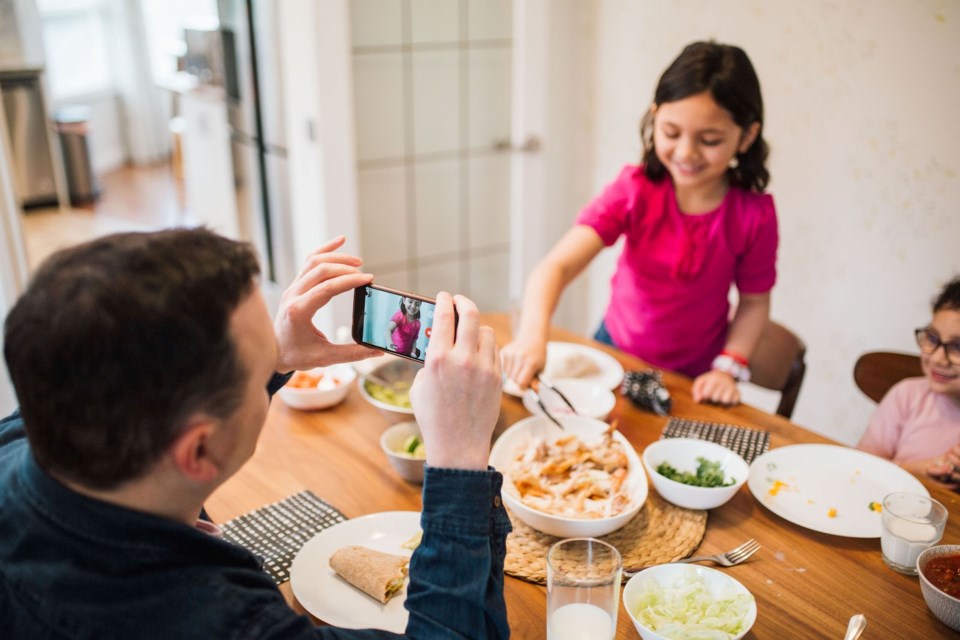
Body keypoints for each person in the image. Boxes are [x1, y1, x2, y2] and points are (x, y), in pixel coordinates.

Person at [0, 229, 511, 638]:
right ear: (198, 449)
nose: (275, 351)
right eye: (259, 362)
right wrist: (458, 459)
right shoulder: (221, 619)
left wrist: (277, 357)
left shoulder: (41, 434)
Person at [502, 41, 778, 407]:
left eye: (709, 140)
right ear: (654, 117)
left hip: (693, 378)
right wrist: (532, 336)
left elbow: (754, 303)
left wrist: (728, 367)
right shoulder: (635, 190)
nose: (685, 153)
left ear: (746, 136)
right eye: (671, 132)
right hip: (614, 354)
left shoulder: (753, 215)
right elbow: (557, 266)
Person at [857, 276, 960, 490]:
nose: (938, 358)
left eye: (958, 347)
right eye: (932, 338)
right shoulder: (907, 396)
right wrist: (920, 470)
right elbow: (861, 468)